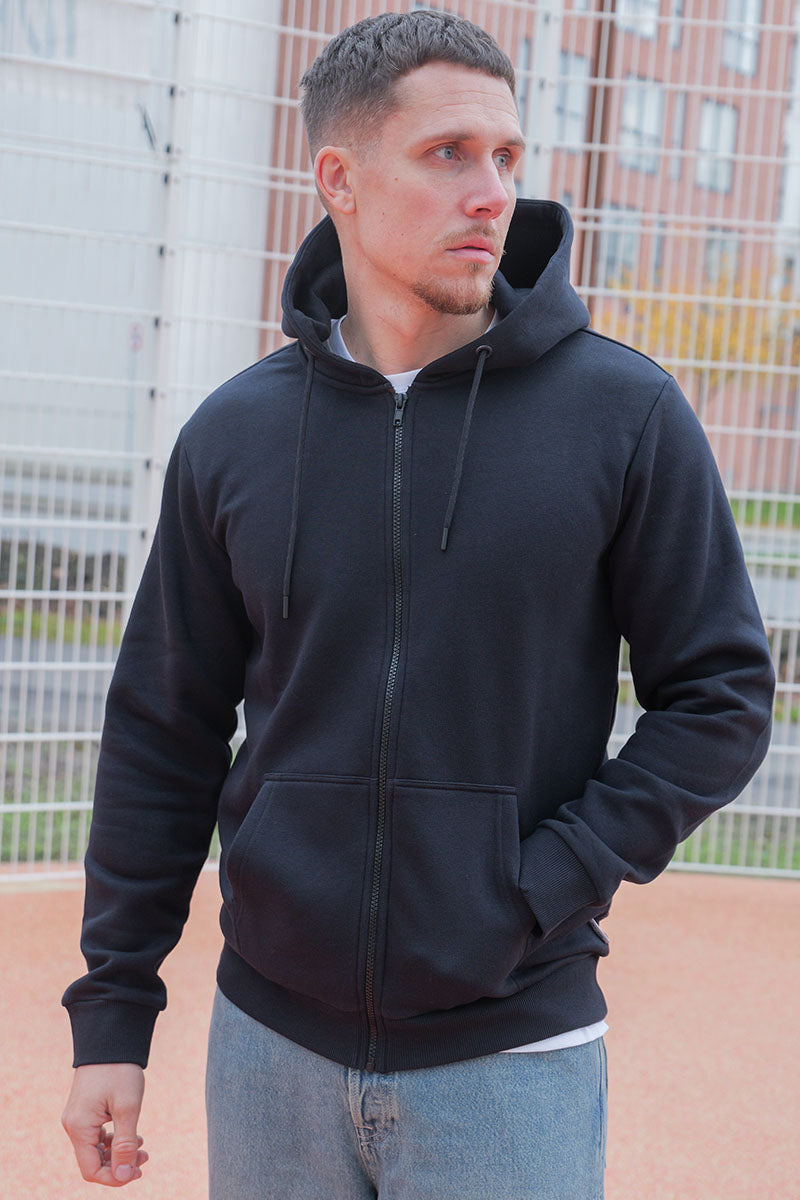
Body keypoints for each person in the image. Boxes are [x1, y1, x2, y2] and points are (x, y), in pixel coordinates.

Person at [61, 10, 775, 1198]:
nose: (490, 191)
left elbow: (721, 695)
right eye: (447, 154)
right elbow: (161, 728)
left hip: (510, 1054)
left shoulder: (622, 416)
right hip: (269, 1048)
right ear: (338, 178)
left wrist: (541, 882)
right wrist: (113, 1015)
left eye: (504, 156)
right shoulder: (236, 435)